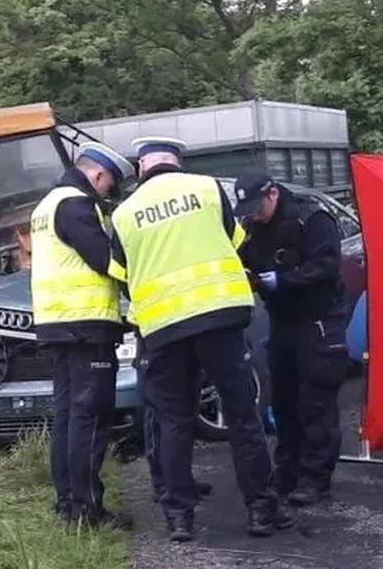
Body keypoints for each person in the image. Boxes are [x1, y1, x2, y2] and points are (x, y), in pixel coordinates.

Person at [108, 137, 291, 542]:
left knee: (174, 422)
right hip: (219, 319)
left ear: (142, 167)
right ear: (176, 162)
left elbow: (121, 276)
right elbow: (236, 243)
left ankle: (179, 517)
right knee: (243, 416)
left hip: (163, 329)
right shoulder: (208, 189)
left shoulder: (123, 214)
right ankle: (261, 510)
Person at [29, 141, 135, 529]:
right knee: (90, 417)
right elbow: (106, 261)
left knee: (68, 417)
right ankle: (88, 510)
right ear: (98, 175)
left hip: (56, 324)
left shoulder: (45, 206)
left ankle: (68, 504)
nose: (108, 194)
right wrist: (144, 279)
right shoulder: (75, 204)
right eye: (109, 186)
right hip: (86, 326)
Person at [232, 170, 348, 508]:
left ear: (272, 194)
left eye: (256, 208)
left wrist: (287, 280)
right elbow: (247, 257)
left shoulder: (310, 217)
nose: (252, 216)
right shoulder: (255, 227)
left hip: (318, 320)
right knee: (283, 402)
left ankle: (315, 479)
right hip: (283, 323)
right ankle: (288, 472)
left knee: (315, 403)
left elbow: (327, 265)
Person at [133, 335, 213, 504]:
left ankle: (180, 480)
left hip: (178, 328)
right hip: (154, 333)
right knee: (159, 413)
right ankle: (162, 482)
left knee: (183, 409)